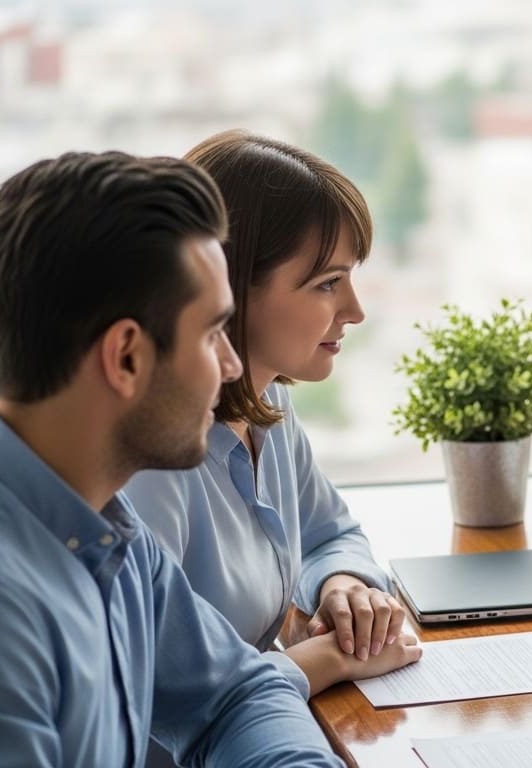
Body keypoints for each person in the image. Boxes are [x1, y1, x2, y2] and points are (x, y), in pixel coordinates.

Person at [0, 151, 343, 766]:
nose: (231, 367)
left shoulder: (108, 534)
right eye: (210, 336)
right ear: (125, 357)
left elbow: (236, 695)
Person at [123, 130, 421, 707]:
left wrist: (345, 587)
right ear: (228, 288)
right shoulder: (151, 461)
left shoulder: (269, 407)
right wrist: (322, 660)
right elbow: (162, 690)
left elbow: (329, 533)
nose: (355, 310)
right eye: (328, 283)